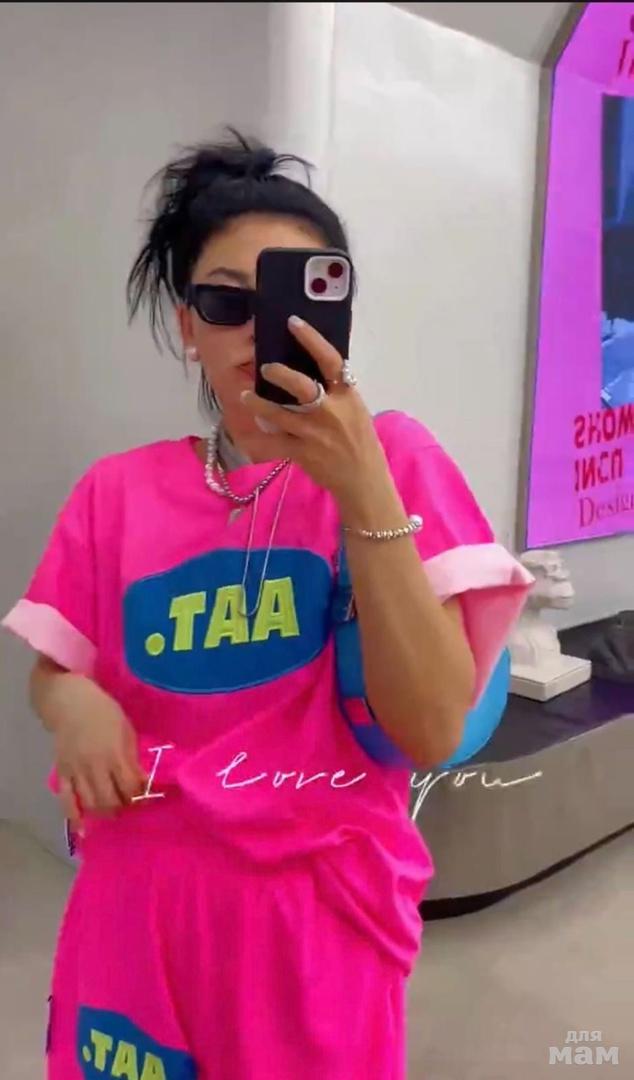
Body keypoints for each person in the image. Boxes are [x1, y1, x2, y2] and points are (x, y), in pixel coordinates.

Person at [2, 131, 532, 1080]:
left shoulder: (397, 461)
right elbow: (57, 667)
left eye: (292, 295)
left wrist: (360, 486)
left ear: (338, 309)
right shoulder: (114, 492)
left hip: (311, 922)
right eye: (224, 302)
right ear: (187, 327)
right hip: (132, 900)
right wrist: (72, 705)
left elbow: (431, 730)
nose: (257, 328)